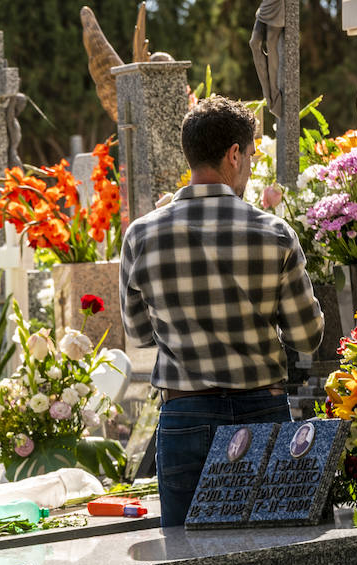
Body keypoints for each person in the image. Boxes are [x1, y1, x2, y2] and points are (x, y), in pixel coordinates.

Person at [119, 96, 323, 527]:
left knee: (186, 559)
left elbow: (138, 335)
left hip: (184, 414)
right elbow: (308, 337)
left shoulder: (141, 235)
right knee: (269, 551)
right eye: (249, 154)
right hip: (263, 411)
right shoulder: (275, 233)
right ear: (234, 154)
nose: (248, 164)